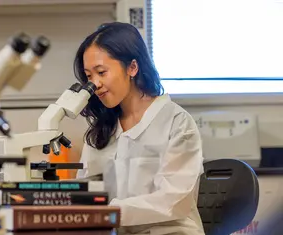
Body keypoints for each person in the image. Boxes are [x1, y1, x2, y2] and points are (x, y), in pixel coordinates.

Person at [74, 22, 205, 235]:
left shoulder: (177, 122)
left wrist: (110, 212)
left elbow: (174, 201)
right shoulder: (101, 129)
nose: (95, 84)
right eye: (89, 76)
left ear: (132, 67)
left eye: (101, 72)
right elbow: (86, 191)